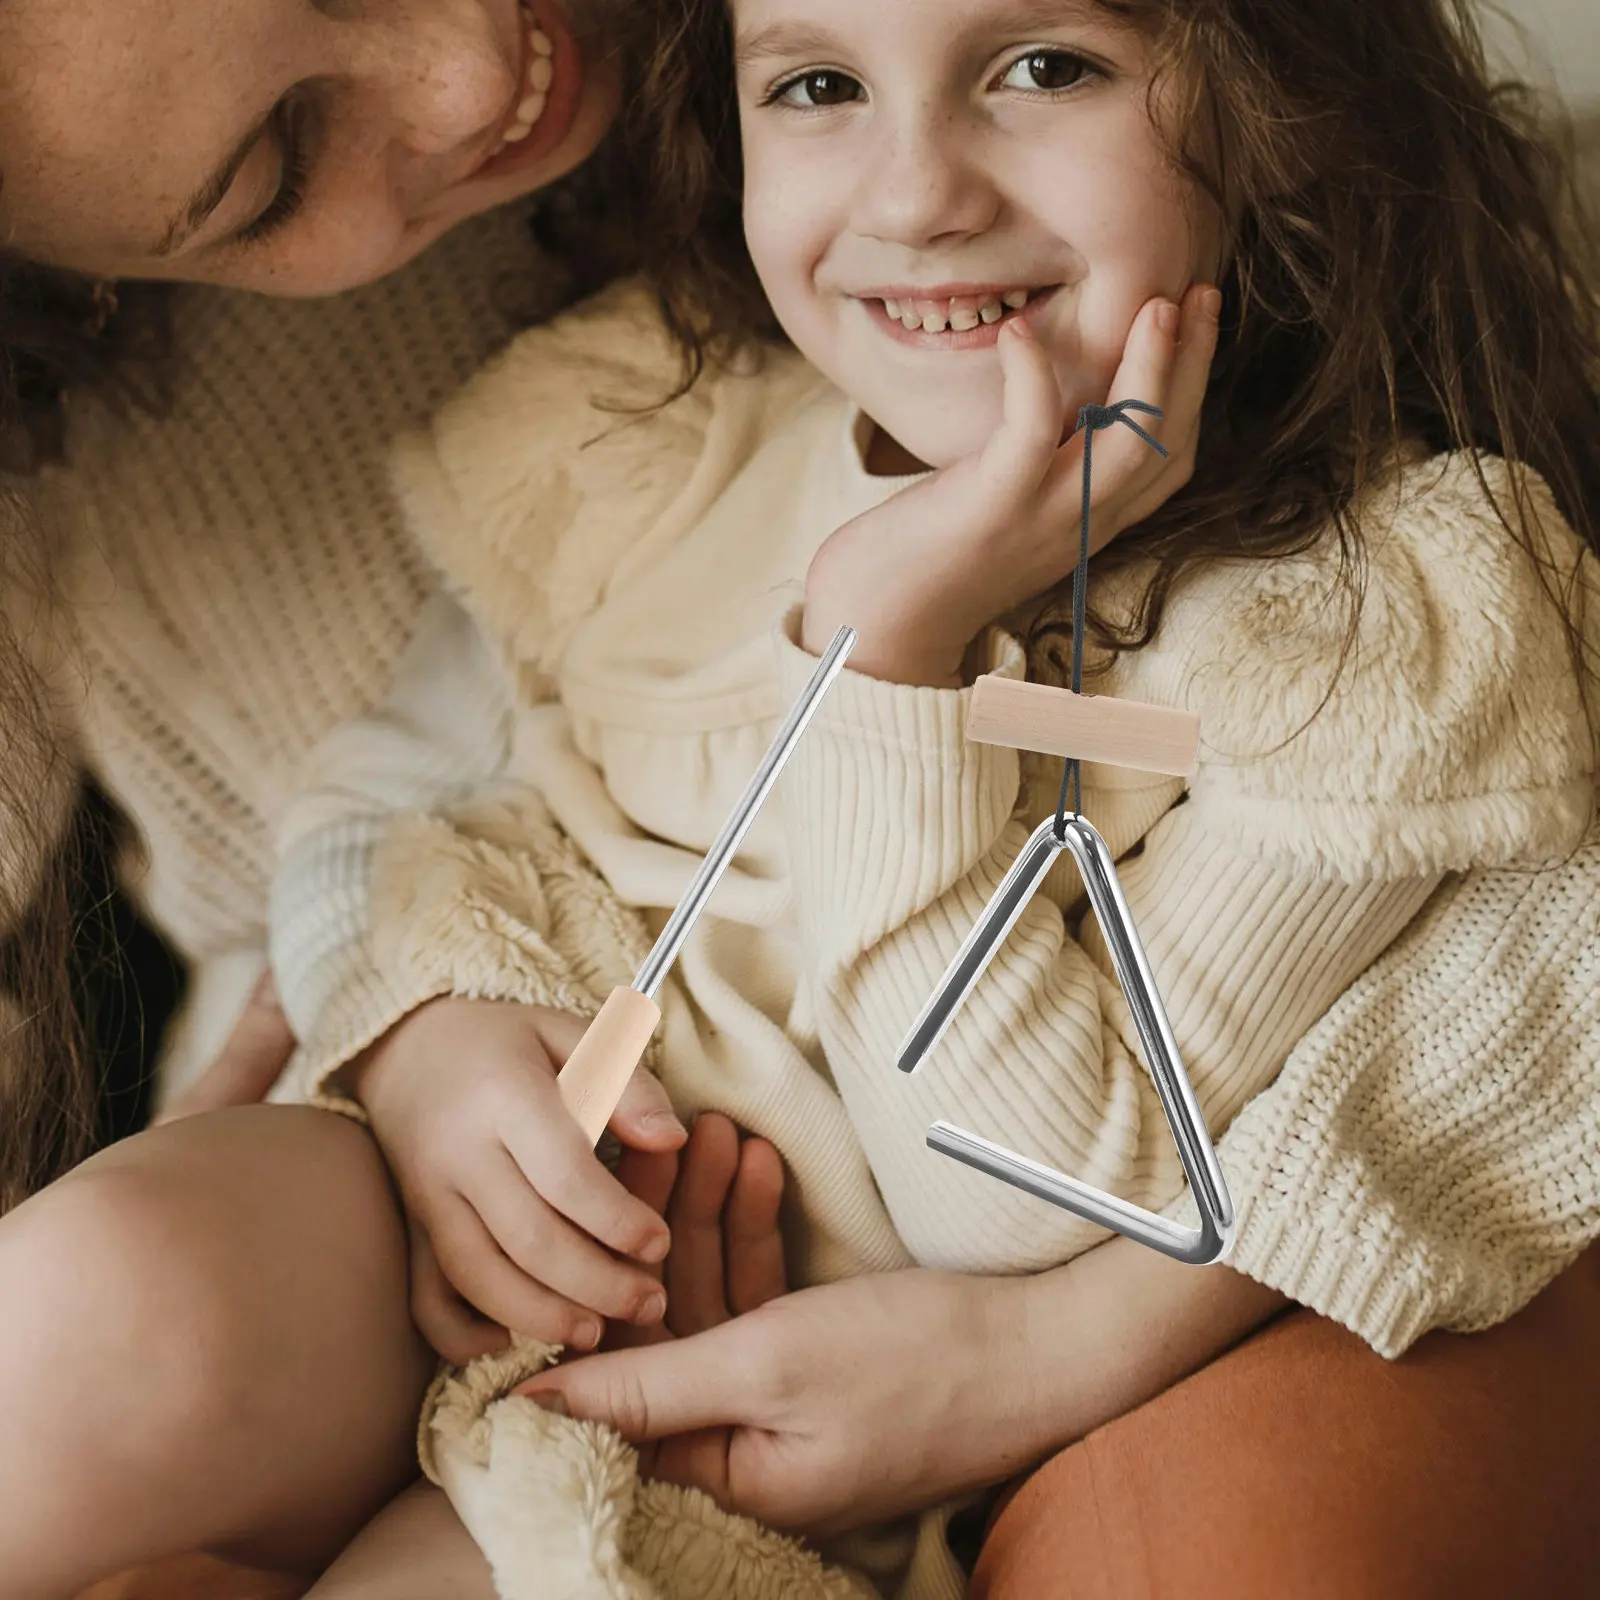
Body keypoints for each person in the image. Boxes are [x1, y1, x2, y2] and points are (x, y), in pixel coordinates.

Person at [0, 0, 1593, 1597]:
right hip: (442, 1205)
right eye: (820, 85)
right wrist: (426, 1038)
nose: (915, 198)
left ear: (1284, 104)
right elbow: (378, 800)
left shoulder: (1367, 641)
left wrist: (886, 660)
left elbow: (1004, 1196)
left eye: (1046, 68)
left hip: (772, 1417)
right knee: (80, 1310)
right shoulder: (640, 426)